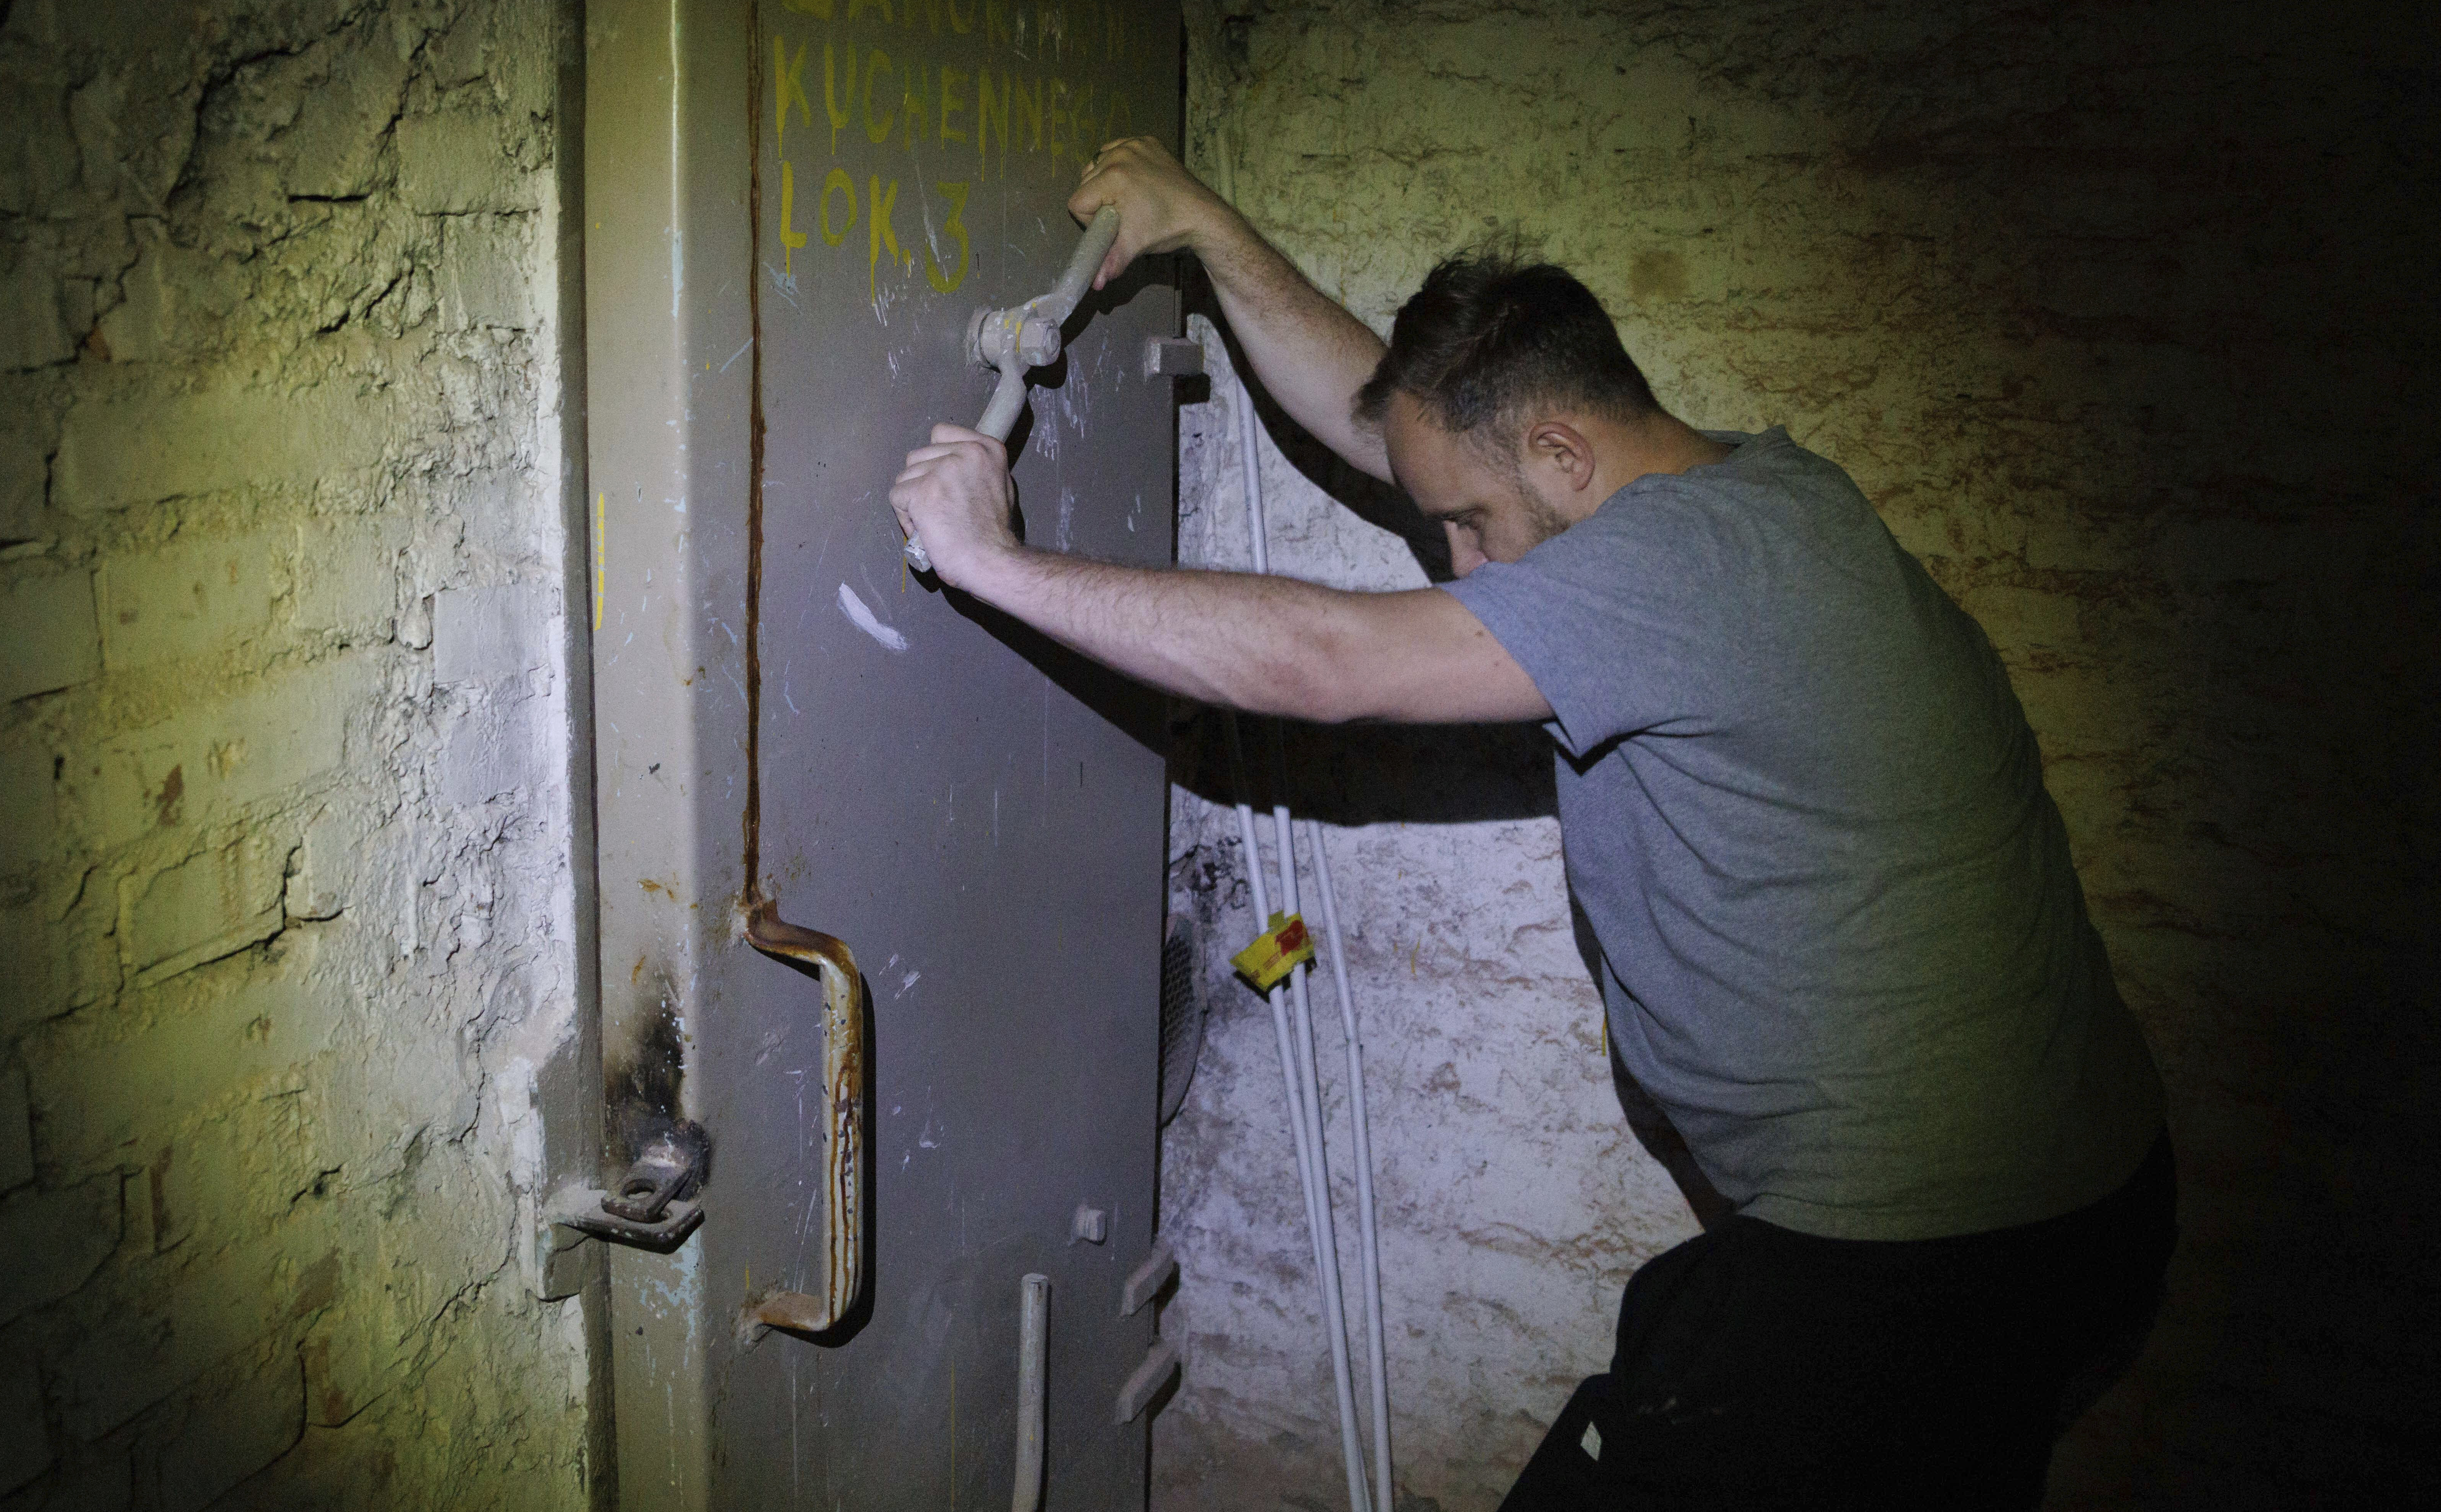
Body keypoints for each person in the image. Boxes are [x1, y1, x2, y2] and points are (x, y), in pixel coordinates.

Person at [892, 137, 2174, 1509]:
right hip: (2050, 1196)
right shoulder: (1753, 496)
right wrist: (1208, 228)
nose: (1456, 560)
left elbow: (1331, 662)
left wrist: (993, 558)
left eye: (1469, 524)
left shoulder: (1680, 566)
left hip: (1943, 1247)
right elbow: (1392, 425)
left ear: (1562, 448)